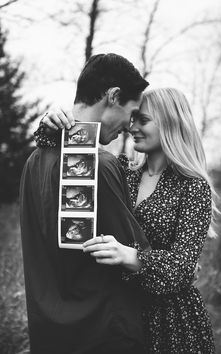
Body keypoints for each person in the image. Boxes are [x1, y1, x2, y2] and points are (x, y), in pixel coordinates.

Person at [39, 88, 216, 353]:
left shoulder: (192, 186)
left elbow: (182, 268)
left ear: (171, 123)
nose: (132, 127)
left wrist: (129, 256)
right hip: (117, 314)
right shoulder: (122, 171)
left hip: (170, 323)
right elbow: (73, 161)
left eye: (143, 120)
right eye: (133, 119)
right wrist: (51, 123)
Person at [20, 53, 150, 354]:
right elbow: (136, 252)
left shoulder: (34, 160)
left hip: (50, 335)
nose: (129, 126)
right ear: (114, 96)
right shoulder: (99, 164)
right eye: (131, 113)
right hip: (105, 332)